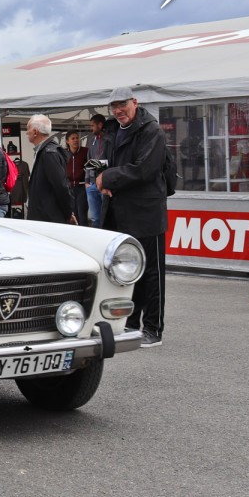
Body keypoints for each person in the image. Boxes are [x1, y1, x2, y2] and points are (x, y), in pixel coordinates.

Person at [95, 87, 168, 347]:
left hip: (147, 213)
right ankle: (129, 323)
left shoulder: (152, 131)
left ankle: (153, 329)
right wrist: (100, 176)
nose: (118, 110)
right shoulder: (114, 130)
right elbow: (110, 163)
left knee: (151, 273)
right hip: (120, 211)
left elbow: (145, 169)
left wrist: (108, 178)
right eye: (113, 106)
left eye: (122, 104)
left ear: (134, 102)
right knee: (127, 271)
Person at [25, 114, 73, 224]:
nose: (27, 133)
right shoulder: (44, 151)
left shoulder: (48, 153)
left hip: (47, 218)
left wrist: (68, 213)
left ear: (36, 132)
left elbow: (61, 186)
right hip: (44, 216)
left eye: (28, 129)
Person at [86, 114, 108, 227]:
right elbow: (89, 159)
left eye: (93, 125)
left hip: (105, 183)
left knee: (105, 217)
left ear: (100, 125)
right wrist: (87, 181)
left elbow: (110, 161)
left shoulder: (109, 140)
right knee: (95, 218)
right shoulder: (91, 139)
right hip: (92, 184)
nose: (91, 128)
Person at [64, 130, 88, 225]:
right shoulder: (64, 153)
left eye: (77, 138)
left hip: (82, 187)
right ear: (67, 141)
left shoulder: (85, 151)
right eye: (72, 138)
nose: (75, 140)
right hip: (69, 188)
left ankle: (85, 235)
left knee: (82, 213)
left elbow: (90, 167)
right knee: (72, 213)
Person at [7, 141, 30, 219]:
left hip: (24, 190)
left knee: (23, 204)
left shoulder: (25, 164)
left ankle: (19, 214)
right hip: (14, 191)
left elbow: (28, 175)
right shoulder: (11, 166)